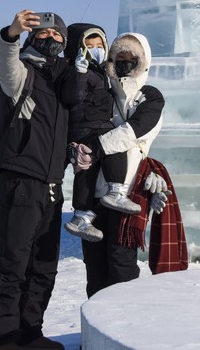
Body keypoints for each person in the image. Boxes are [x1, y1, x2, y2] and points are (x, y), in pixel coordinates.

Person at [0, 9, 69, 350]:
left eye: (56, 36)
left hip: (52, 186)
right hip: (20, 183)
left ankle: (31, 332)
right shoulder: (23, 74)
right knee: (12, 264)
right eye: (44, 35)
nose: (50, 40)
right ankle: (4, 338)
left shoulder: (63, 81)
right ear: (33, 38)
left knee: (44, 267)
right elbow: (5, 64)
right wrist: (10, 34)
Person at [69, 32, 177, 297]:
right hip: (94, 190)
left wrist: (94, 146)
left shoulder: (150, 96)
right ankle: (96, 333)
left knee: (121, 263)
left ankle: (124, 324)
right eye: (119, 58)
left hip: (127, 191)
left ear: (143, 60)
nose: (124, 63)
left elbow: (134, 131)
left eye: (131, 58)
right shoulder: (102, 91)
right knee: (94, 265)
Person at [60, 24, 138, 244]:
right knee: (114, 143)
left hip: (92, 125)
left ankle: (81, 215)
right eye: (89, 45)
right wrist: (79, 73)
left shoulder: (102, 70)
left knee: (86, 168)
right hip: (88, 124)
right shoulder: (75, 70)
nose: (95, 49)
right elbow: (71, 96)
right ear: (79, 48)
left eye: (99, 45)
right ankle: (116, 191)